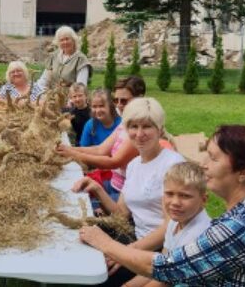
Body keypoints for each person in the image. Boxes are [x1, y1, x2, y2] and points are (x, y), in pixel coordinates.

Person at [80, 125, 245, 287]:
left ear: (243, 173)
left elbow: (167, 268)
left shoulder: (236, 227)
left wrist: (104, 243)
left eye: (213, 158)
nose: (203, 164)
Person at [74, 97, 184, 286]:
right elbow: (122, 214)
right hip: (134, 236)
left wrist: (124, 252)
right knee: (79, 241)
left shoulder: (172, 166)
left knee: (99, 276)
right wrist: (98, 189)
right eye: (133, 126)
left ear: (160, 129)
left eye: (147, 126)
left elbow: (170, 227)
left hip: (160, 251)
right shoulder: (134, 165)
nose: (139, 134)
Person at [124, 161, 211, 287]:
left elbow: (164, 281)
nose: (175, 202)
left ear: (203, 200)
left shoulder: (197, 235)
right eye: (169, 194)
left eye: (185, 196)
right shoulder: (175, 220)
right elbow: (160, 265)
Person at [56, 77, 144, 200]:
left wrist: (72, 153)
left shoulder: (139, 129)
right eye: (116, 100)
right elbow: (100, 149)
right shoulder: (125, 122)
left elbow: (114, 162)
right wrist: (68, 149)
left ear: (139, 99)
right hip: (115, 183)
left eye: (124, 101)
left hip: (125, 194)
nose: (119, 105)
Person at [37, 25, 91, 90]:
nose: (65, 42)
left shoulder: (81, 59)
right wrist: (39, 90)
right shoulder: (54, 56)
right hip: (51, 96)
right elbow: (44, 79)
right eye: (61, 40)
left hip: (72, 97)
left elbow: (81, 87)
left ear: (73, 40)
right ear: (58, 43)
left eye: (67, 39)